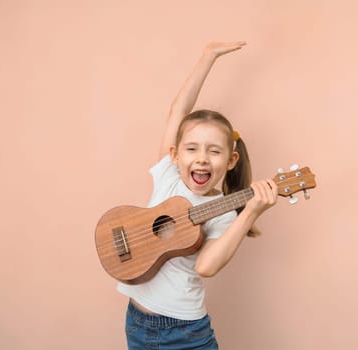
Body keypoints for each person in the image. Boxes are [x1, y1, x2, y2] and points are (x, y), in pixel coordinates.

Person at [117, 41, 278, 350]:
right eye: (192, 149)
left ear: (230, 161)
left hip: (185, 331)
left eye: (214, 151)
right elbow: (179, 109)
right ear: (175, 155)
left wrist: (250, 212)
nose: (202, 158)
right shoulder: (168, 176)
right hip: (137, 321)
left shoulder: (224, 212)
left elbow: (206, 267)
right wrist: (208, 57)